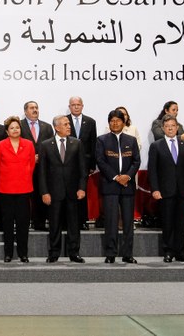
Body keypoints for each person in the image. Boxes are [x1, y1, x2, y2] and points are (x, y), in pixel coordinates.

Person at [148, 114, 184, 263]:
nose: (170, 128)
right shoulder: (156, 146)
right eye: (167, 126)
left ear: (177, 128)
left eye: (173, 126)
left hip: (183, 191)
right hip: (165, 191)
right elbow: (152, 170)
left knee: (181, 224)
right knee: (168, 223)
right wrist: (155, 189)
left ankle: (180, 252)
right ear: (163, 128)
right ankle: (168, 252)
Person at [38, 115, 87, 263]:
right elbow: (42, 172)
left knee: (74, 224)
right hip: (54, 192)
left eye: (68, 124)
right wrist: (44, 192)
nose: (69, 126)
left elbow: (82, 169)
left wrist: (82, 188)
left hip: (73, 191)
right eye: (65, 124)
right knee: (54, 224)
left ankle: (74, 253)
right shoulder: (45, 145)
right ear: (57, 127)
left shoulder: (77, 143)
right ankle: (54, 253)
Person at [96, 109, 141, 264]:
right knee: (111, 222)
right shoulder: (102, 140)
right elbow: (100, 161)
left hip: (127, 185)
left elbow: (136, 161)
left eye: (118, 120)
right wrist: (116, 177)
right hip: (110, 185)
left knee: (128, 223)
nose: (115, 123)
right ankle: (110, 253)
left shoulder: (131, 140)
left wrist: (127, 176)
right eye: (112, 121)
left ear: (124, 122)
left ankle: (127, 254)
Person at [0, 116, 36, 263]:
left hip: (24, 189)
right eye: (12, 128)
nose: (15, 130)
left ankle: (23, 253)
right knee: (7, 224)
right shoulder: (0, 145)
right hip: (5, 189)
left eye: (17, 127)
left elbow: (32, 165)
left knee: (23, 224)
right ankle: (8, 253)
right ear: (7, 131)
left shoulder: (29, 144)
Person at [20, 101, 54, 231]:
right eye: (31, 108)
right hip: (25, 168)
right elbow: (17, 144)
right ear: (25, 111)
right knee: (24, 197)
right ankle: (24, 223)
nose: (35, 110)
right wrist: (29, 158)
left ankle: (39, 223)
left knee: (41, 194)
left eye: (36, 108)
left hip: (42, 168)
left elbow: (51, 145)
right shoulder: (19, 126)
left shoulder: (47, 126)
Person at [67, 96, 96, 231]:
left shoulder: (90, 121)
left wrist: (92, 165)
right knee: (69, 193)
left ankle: (82, 220)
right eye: (73, 105)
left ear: (82, 106)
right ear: (69, 107)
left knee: (82, 192)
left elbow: (93, 144)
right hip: (68, 164)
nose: (76, 107)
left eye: (78, 104)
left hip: (84, 164)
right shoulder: (64, 121)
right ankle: (68, 221)